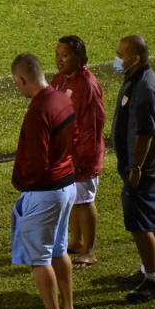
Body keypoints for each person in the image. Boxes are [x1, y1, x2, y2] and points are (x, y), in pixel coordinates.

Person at [10, 53, 80, 309]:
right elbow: (74, 138)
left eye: (17, 83)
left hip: (45, 193)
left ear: (22, 79)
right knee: (58, 251)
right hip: (67, 186)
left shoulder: (37, 111)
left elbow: (37, 164)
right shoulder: (63, 97)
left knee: (40, 259)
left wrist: (20, 181)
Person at [110, 35, 155, 303]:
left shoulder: (145, 86)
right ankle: (147, 270)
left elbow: (145, 132)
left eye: (121, 55)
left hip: (144, 170)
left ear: (135, 59)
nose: (117, 59)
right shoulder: (136, 79)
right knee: (148, 221)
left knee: (140, 224)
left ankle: (153, 280)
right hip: (144, 168)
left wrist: (136, 167)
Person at [50, 36, 106, 269]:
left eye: (65, 55)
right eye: (57, 54)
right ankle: (76, 241)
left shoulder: (87, 85)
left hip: (82, 155)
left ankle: (89, 251)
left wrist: (81, 157)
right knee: (72, 199)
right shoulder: (59, 79)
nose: (59, 59)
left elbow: (92, 125)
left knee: (84, 201)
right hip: (66, 153)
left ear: (79, 57)